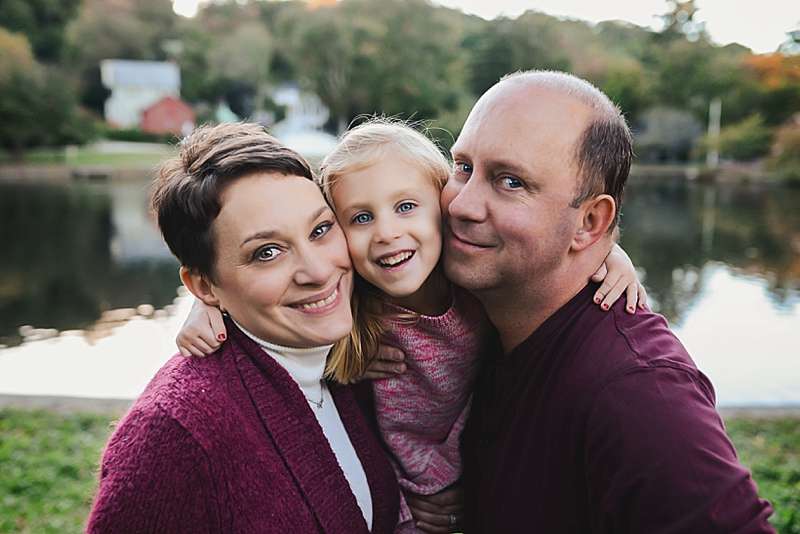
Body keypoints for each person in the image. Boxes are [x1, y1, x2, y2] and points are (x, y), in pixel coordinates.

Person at [177, 119, 646, 532]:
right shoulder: (352, 299)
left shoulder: (472, 280)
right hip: (391, 494)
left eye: (406, 207)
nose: (386, 233)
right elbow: (267, 293)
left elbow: (545, 249)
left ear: (445, 207)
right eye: (361, 218)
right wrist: (208, 306)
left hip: (481, 473)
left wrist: (610, 251)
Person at [446, 70, 774, 532]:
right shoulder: (473, 312)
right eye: (463, 167)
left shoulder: (640, 395)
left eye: (510, 181)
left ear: (591, 222)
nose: (461, 204)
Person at [87, 123, 399, 533]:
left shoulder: (348, 356)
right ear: (203, 286)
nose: (319, 271)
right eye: (267, 253)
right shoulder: (173, 432)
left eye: (320, 230)